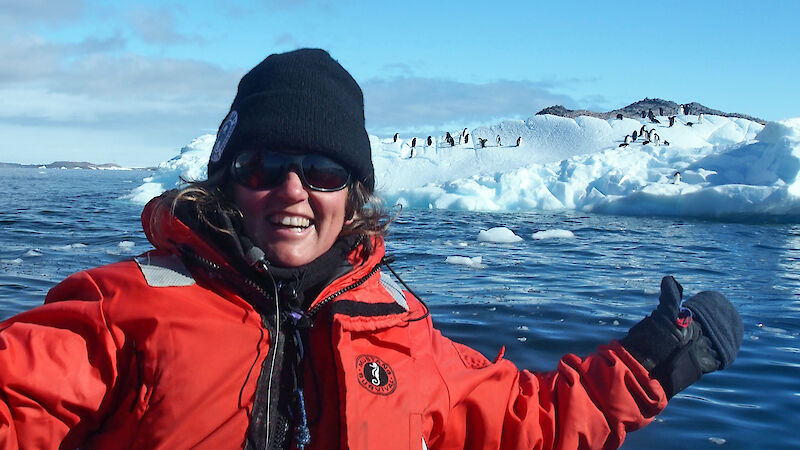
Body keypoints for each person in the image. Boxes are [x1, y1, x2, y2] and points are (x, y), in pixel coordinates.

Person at [0, 49, 743, 449]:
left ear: (352, 194)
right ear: (227, 183)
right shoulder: (117, 312)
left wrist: (649, 367)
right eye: (262, 169)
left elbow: (528, 421)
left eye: (322, 172)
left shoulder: (397, 330)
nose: (292, 192)